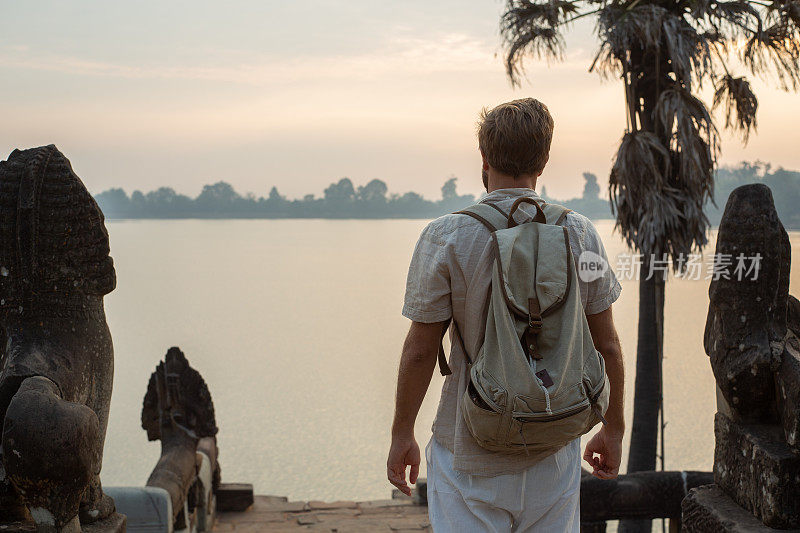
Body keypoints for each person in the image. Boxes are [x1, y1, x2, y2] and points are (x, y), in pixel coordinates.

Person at [387, 98, 625, 532]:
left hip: (470, 449)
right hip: (555, 447)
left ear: (483, 157)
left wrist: (402, 433)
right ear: (545, 158)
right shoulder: (582, 233)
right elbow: (606, 344)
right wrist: (614, 428)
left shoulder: (447, 236)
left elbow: (421, 351)